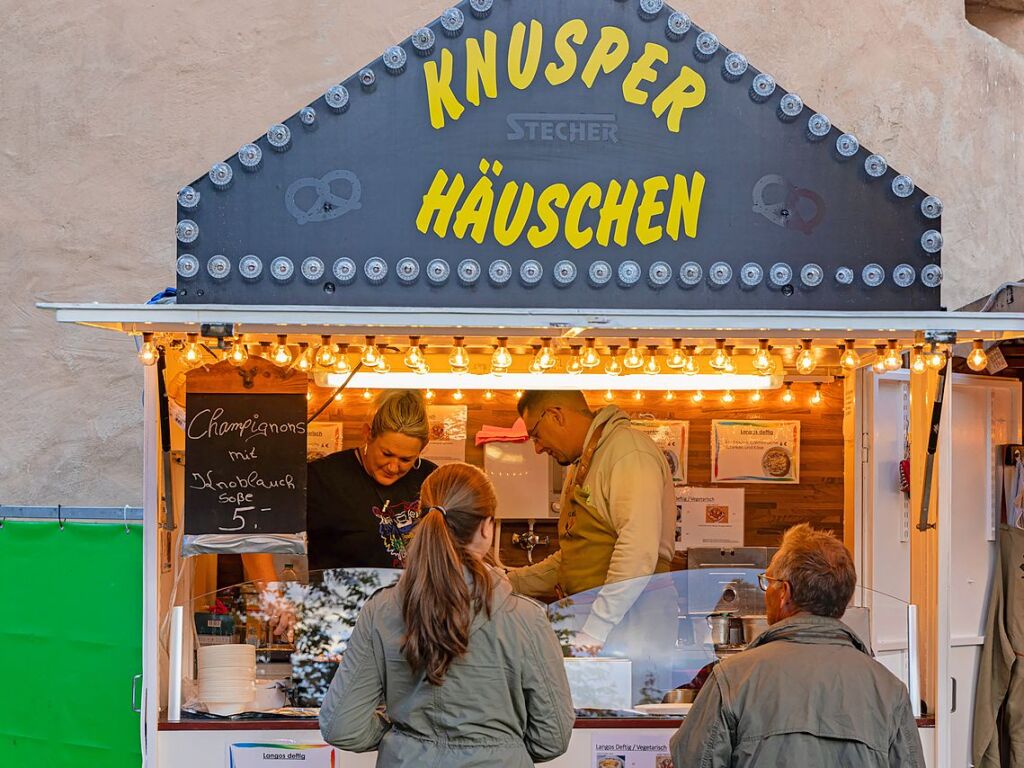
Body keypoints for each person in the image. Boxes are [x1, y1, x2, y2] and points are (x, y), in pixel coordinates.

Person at [319, 463, 575, 767]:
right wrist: (502, 749)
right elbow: (553, 737)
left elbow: (342, 726)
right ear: (487, 527)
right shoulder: (525, 617)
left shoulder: (381, 610)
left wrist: (402, 739)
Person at [670, 523, 926, 767]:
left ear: (785, 593)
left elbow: (694, 760)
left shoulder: (733, 679)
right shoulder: (889, 690)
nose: (766, 591)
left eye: (768, 582)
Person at [507, 390, 676, 702]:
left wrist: (593, 634)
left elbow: (637, 552)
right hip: (601, 631)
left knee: (625, 738)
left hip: (631, 629)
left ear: (556, 415)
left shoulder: (627, 453)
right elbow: (576, 556)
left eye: (536, 434)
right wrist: (510, 581)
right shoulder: (583, 462)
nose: (537, 447)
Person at [246, 389, 437, 580]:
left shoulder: (431, 479)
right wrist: (271, 599)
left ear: (424, 447)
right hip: (340, 605)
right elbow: (256, 533)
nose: (393, 467)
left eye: (406, 459)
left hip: (411, 605)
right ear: (368, 434)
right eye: (386, 454)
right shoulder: (323, 477)